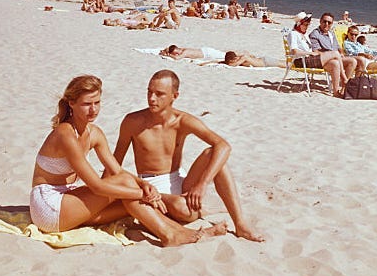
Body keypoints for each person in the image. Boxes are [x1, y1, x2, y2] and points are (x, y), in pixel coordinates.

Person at [30, 75, 225, 245]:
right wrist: (141, 193)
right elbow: (97, 186)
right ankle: (172, 234)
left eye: (97, 103)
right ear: (71, 103)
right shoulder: (65, 134)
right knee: (128, 189)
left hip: (70, 199)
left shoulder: (94, 133)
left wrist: (143, 184)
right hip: (48, 207)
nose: (93, 110)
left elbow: (117, 170)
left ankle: (175, 234)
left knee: (128, 197)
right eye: (87, 104)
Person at [113, 70, 264, 242]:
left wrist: (202, 184)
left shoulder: (182, 121)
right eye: (149, 92)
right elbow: (114, 164)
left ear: (174, 96)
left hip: (178, 179)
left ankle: (240, 224)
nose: (151, 98)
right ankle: (190, 210)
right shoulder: (132, 122)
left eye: (159, 94)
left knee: (212, 153)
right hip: (149, 184)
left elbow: (223, 146)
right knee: (182, 208)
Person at [288, 13, 350, 96]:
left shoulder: (304, 34)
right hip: (301, 61)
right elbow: (294, 51)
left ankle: (336, 92)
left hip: (310, 59)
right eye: (305, 25)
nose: (307, 27)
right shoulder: (293, 34)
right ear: (299, 24)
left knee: (335, 63)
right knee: (335, 53)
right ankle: (345, 80)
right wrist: (310, 53)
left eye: (308, 25)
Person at [309, 12, 360, 77]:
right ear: (320, 21)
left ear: (332, 24)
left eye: (329, 23)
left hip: (337, 58)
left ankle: (349, 84)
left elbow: (338, 47)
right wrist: (332, 55)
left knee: (355, 61)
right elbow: (316, 51)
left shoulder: (331, 34)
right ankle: (345, 81)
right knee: (348, 61)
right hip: (325, 60)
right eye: (324, 21)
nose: (326, 24)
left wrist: (341, 53)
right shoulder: (315, 34)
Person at [220, 51, 285, 68]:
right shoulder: (242, 57)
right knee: (284, 63)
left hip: (266, 62)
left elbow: (234, 65)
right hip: (264, 60)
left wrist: (227, 63)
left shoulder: (243, 57)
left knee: (286, 65)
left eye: (231, 61)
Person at [158, 45, 226, 61]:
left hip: (208, 53)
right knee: (224, 54)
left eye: (176, 53)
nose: (176, 54)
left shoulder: (185, 52)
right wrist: (164, 51)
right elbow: (170, 48)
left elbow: (177, 58)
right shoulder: (181, 49)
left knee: (225, 56)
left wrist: (168, 55)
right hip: (206, 51)